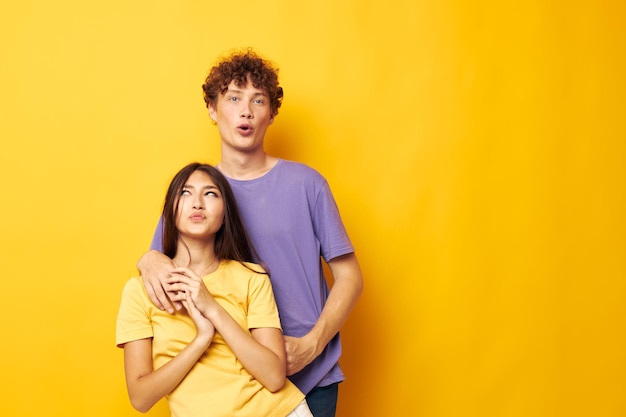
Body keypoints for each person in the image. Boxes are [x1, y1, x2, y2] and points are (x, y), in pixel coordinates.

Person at [138, 49, 364, 417]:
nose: (246, 110)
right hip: (230, 382)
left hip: (308, 373)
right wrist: (148, 259)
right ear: (213, 109)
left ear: (271, 113)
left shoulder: (308, 184)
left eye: (258, 100)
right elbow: (160, 264)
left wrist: (313, 343)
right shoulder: (196, 194)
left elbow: (350, 276)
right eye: (233, 98)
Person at [116, 163, 312, 417]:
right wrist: (201, 339)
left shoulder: (252, 278)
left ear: (224, 214)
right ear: (169, 210)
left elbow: (274, 377)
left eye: (210, 193)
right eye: (185, 193)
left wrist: (212, 308)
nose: (197, 203)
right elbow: (141, 398)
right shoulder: (140, 291)